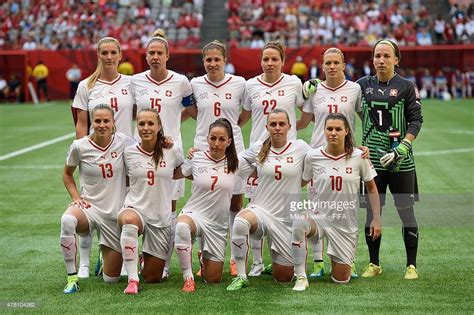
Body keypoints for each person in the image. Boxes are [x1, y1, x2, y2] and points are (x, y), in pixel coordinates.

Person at [130, 29, 195, 279]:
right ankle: (133, 261)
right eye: (151, 53)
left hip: (170, 152)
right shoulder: (136, 81)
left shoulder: (180, 81)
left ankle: (164, 263)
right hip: (141, 153)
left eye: (160, 53)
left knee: (168, 209)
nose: (155, 57)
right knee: (138, 204)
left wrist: (172, 127)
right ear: (146, 56)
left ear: (168, 55)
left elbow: (192, 110)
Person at [356, 39, 423, 280]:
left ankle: (411, 265)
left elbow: (416, 119)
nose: (381, 60)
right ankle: (374, 263)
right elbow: (341, 98)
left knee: (406, 212)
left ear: (397, 59)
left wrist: (403, 146)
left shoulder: (406, 86)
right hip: (371, 163)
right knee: (371, 213)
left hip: (401, 162)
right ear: (372, 60)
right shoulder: (362, 85)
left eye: (386, 56)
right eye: (377, 56)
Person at [292, 113, 381, 290]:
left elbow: (372, 188)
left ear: (346, 131)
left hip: (344, 223)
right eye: (329, 129)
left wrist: (376, 218)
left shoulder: (359, 156)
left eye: (338, 129)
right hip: (319, 217)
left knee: (341, 279)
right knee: (299, 222)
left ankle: (342, 261)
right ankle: (301, 277)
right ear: (323, 131)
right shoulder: (312, 156)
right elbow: (300, 181)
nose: (333, 132)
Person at [297, 47, 364, 279]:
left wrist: (365, 145)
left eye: (336, 62)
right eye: (328, 63)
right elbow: (303, 122)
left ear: (343, 65)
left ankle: (349, 259)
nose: (332, 66)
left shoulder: (355, 89)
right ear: (322, 66)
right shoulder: (314, 90)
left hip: (346, 156)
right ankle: (318, 262)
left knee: (347, 210)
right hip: (318, 157)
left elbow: (366, 119)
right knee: (316, 209)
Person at [238, 41, 304, 277]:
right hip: (260, 157)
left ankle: (290, 258)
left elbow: (307, 112)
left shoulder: (294, 83)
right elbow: (244, 116)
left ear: (283, 61)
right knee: (255, 206)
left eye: (274, 59)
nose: (269, 63)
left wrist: (294, 136)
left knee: (287, 208)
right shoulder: (250, 85)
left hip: (287, 157)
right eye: (265, 59)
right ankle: (256, 261)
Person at [226, 109, 311, 291]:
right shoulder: (258, 147)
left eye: (281, 124)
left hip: (286, 218)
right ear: (267, 127)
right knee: (240, 221)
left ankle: (277, 258)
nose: (277, 128)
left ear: (289, 126)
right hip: (261, 211)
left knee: (283, 278)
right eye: (273, 124)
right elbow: (234, 160)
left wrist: (357, 151)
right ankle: (242, 276)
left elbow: (322, 158)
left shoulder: (301, 147)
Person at [72, 36, 134, 279]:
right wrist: (83, 154)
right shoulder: (86, 85)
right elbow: (81, 124)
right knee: (91, 203)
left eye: (113, 53)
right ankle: (85, 262)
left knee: (124, 204)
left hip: (125, 154)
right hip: (95, 155)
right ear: (98, 55)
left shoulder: (131, 83)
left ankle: (121, 255)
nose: (108, 57)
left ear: (120, 55)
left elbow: (140, 116)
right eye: (104, 53)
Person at [59, 104, 134, 294]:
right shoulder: (79, 146)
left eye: (106, 121)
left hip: (114, 214)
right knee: (67, 220)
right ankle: (72, 279)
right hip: (89, 208)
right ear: (92, 122)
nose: (101, 125)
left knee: (111, 279)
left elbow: (146, 150)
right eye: (97, 121)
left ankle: (104, 255)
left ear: (113, 123)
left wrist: (165, 142)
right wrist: (76, 198)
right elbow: (67, 174)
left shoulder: (124, 142)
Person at [190, 40, 247, 276]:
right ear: (203, 61)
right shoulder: (194, 84)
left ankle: (235, 257)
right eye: (208, 59)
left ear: (225, 60)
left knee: (235, 203)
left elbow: (247, 113)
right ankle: (205, 255)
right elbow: (191, 111)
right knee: (205, 203)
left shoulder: (239, 83)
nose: (213, 63)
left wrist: (230, 129)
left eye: (217, 59)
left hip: (233, 150)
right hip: (205, 147)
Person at [118, 108, 183, 294]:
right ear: (136, 126)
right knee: (129, 222)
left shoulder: (171, 150)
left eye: (150, 123)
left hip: (160, 215)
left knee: (153, 278)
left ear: (159, 126)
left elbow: (180, 169)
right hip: (134, 208)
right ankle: (132, 280)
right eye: (141, 124)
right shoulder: (128, 152)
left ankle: (141, 259)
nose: (146, 128)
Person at [175, 118, 243, 292]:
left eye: (221, 139)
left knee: (213, 279)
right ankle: (188, 278)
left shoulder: (237, 162)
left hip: (217, 225)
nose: (216, 143)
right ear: (207, 139)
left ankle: (203, 257)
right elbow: (175, 173)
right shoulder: (197, 157)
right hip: (194, 214)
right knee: (182, 226)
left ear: (229, 141)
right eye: (213, 138)